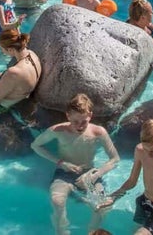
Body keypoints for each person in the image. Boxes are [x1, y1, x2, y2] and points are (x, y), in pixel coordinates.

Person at [31, 94, 120, 235]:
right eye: (75, 121)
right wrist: (61, 162)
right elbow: (35, 146)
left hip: (90, 173)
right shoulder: (58, 130)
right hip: (64, 173)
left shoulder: (98, 132)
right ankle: (62, 232)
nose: (79, 126)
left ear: (90, 115)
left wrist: (95, 175)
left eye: (83, 121)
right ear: (68, 116)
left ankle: (92, 232)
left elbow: (115, 159)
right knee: (57, 201)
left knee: (102, 206)